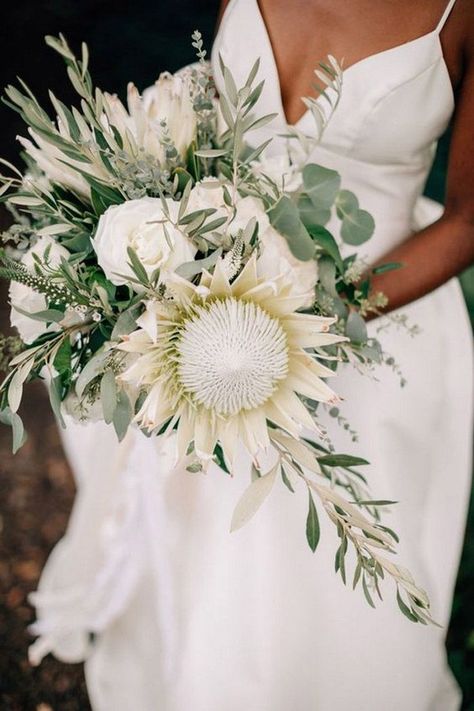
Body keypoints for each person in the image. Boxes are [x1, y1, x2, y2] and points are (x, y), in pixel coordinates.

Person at [29, 1, 474, 709]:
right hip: (214, 283)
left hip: (376, 306)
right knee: (206, 521)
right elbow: (208, 104)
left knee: (319, 558)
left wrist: (304, 327)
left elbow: (469, 220)